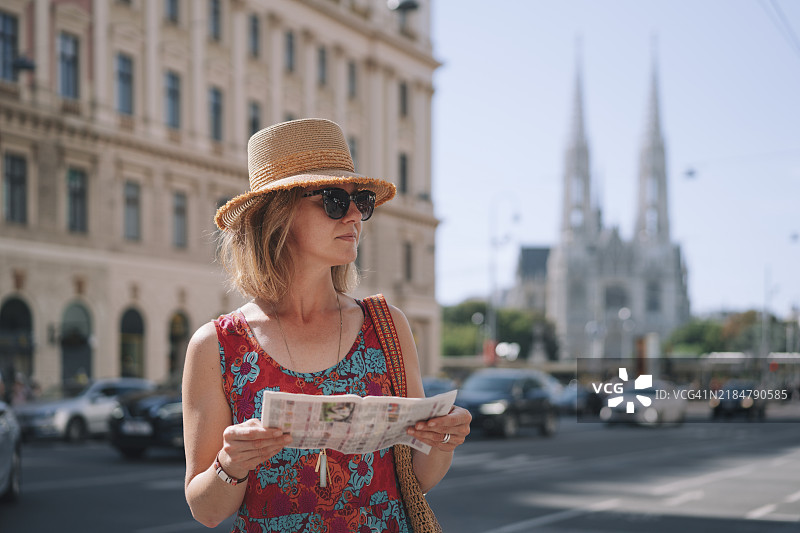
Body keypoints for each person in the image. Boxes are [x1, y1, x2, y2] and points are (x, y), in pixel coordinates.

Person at [183, 118, 471, 532]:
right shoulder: (216, 345)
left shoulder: (387, 325)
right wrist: (231, 464)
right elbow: (207, 510)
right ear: (277, 214)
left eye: (362, 201)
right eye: (335, 200)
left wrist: (443, 440)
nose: (355, 215)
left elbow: (418, 478)